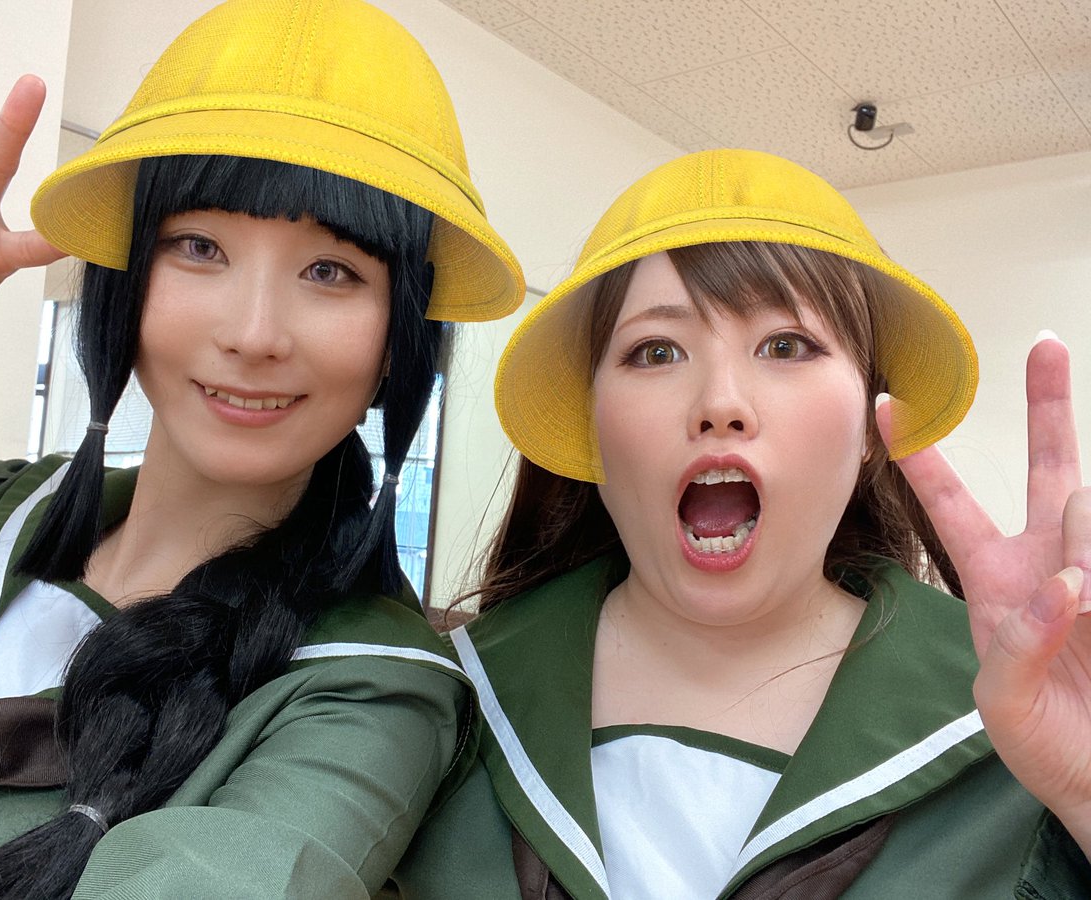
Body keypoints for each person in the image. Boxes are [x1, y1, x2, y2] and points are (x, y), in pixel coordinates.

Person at [0, 0, 523, 897]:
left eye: (331, 271)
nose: (254, 333)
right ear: (125, 283)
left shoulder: (369, 693)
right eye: (199, 246)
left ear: (399, 340)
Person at [388, 149, 1091, 899]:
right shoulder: (438, 710)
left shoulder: (1020, 712)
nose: (720, 402)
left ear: (868, 426)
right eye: (657, 351)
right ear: (592, 430)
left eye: (786, 346)